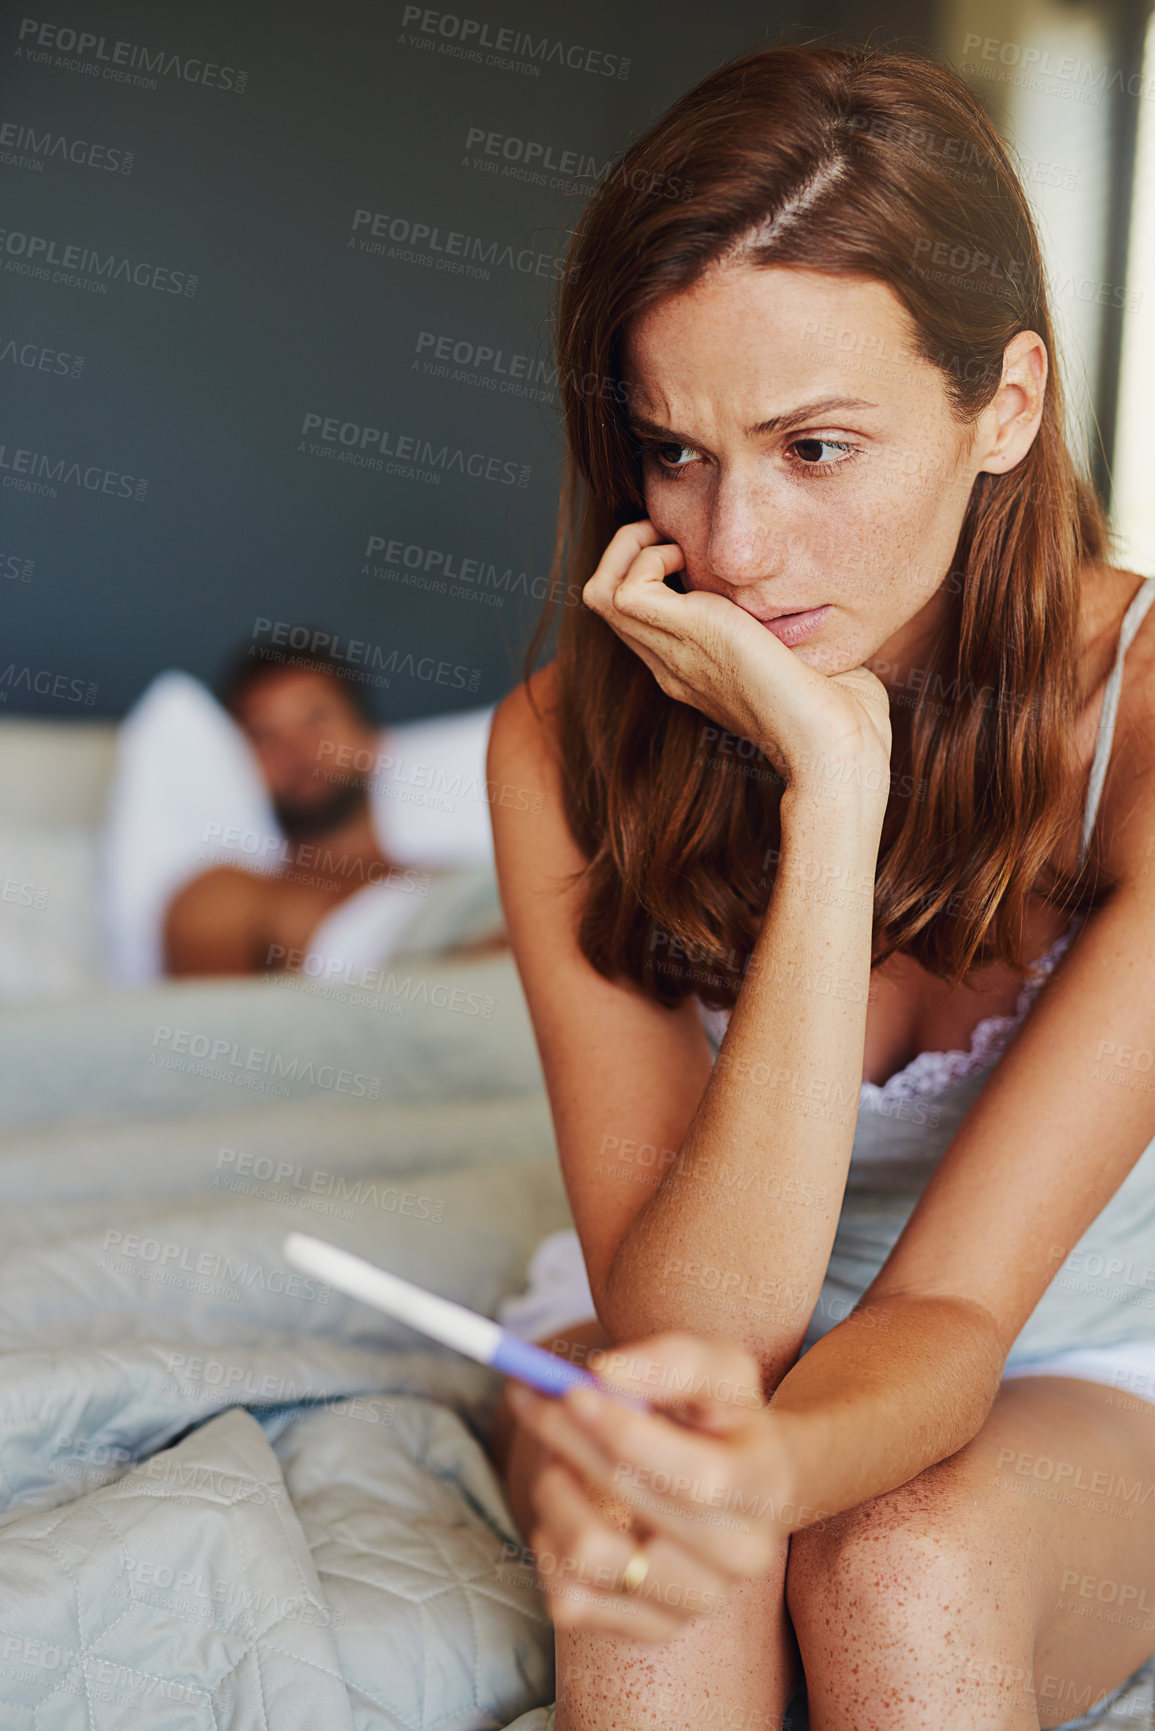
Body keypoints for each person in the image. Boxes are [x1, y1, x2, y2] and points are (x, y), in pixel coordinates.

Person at [483, 38, 1155, 1731]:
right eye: (678, 453)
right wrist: (831, 805)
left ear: (1001, 407)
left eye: (819, 450)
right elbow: (687, 1320)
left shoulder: (1140, 722)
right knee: (655, 1547)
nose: (737, 551)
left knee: (892, 1564)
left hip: (1068, 1344)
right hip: (692, 1336)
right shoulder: (562, 742)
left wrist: (763, 1479)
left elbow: (947, 1308)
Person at [163, 643, 507, 975]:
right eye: (264, 734)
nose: (295, 748)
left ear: (372, 743)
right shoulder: (230, 900)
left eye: (317, 718)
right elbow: (214, 1023)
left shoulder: (452, 874)